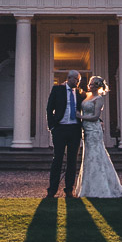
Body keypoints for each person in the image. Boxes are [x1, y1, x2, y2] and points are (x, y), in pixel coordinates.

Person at [75, 76, 122, 198]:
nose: (89, 85)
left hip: (94, 130)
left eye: (92, 84)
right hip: (86, 130)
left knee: (95, 155)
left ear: (97, 86)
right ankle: (87, 187)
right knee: (87, 157)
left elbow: (96, 116)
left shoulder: (99, 99)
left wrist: (80, 117)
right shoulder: (87, 96)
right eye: (90, 83)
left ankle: (100, 188)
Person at [45, 69, 83, 198]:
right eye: (76, 79)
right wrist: (52, 127)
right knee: (58, 159)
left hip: (75, 129)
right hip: (60, 128)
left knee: (72, 161)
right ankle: (52, 190)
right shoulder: (57, 90)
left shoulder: (80, 93)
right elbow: (49, 108)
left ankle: (69, 190)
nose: (77, 82)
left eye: (78, 80)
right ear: (69, 78)